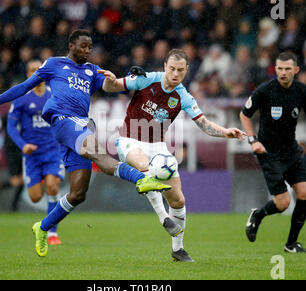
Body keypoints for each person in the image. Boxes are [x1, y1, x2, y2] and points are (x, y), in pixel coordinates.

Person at [0, 29, 172, 257]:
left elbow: (111, 85)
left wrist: (135, 78)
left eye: (90, 47)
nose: (88, 50)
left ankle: (42, 227)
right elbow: (24, 87)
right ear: (71, 45)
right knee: (99, 154)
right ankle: (142, 179)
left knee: (78, 193)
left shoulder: (92, 70)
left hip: (80, 126)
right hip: (62, 120)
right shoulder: (54, 64)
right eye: (83, 46)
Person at [103, 49, 246, 262]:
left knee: (178, 200)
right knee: (145, 167)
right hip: (129, 140)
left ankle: (178, 250)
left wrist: (225, 132)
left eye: (180, 70)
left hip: (158, 147)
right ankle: (163, 218)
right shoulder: (146, 79)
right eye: (171, 68)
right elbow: (110, 87)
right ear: (164, 66)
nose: (175, 73)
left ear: (187, 70)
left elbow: (204, 124)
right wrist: (111, 80)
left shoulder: (183, 96)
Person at [240, 52, 306, 253]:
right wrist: (253, 140)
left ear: (296, 70)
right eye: (279, 68)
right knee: (283, 203)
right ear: (275, 69)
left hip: (291, 150)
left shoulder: (303, 91)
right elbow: (244, 115)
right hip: (268, 152)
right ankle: (258, 215)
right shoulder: (265, 90)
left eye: (288, 69)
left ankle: (291, 244)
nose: (283, 72)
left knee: (305, 196)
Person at [6, 59, 65, 245]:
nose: (36, 73)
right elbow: (10, 126)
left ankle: (52, 232)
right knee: (35, 196)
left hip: (52, 151)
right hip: (31, 155)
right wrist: (23, 144)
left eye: (38, 70)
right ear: (27, 75)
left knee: (53, 187)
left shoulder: (55, 95)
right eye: (32, 70)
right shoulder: (21, 98)